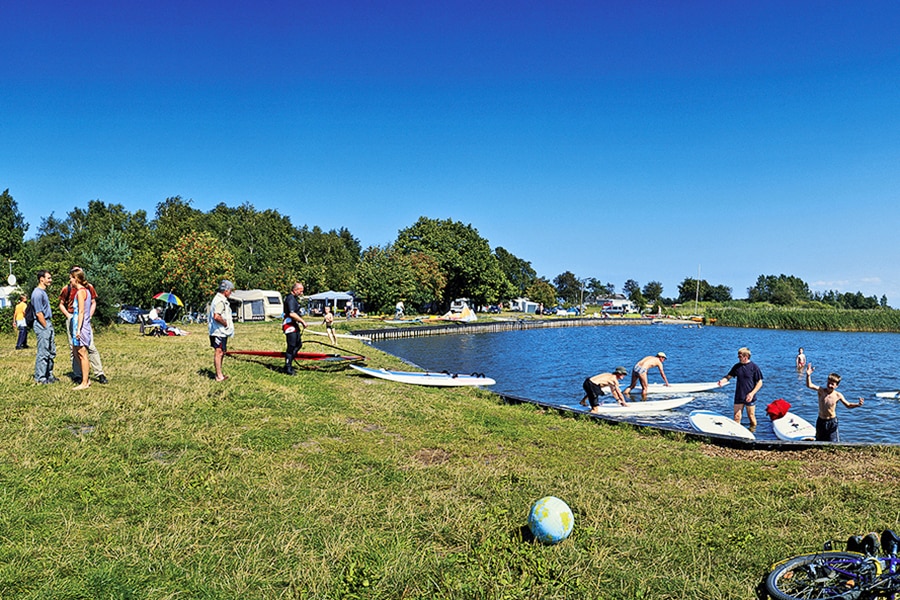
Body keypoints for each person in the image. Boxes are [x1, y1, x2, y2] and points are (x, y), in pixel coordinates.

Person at [58, 267, 108, 384]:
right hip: (72, 318)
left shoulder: (87, 288)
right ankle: (78, 374)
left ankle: (99, 373)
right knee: (74, 348)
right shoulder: (67, 289)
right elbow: (61, 304)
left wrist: (89, 316)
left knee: (90, 347)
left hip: (82, 320)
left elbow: (93, 303)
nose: (70, 279)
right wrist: (68, 315)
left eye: (71, 277)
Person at [805, 363, 863, 442]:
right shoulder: (821, 391)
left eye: (832, 384)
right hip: (821, 420)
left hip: (832, 421)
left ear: (836, 386)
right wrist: (808, 375)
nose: (829, 385)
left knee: (833, 441)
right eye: (828, 382)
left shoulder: (838, 395)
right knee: (819, 440)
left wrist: (858, 404)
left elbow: (848, 405)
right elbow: (810, 385)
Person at [716, 347, 763, 430]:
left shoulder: (754, 367)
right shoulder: (737, 367)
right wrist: (722, 381)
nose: (738, 358)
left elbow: (759, 383)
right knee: (736, 417)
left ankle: (753, 433)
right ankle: (737, 434)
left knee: (751, 417)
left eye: (740, 356)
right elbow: (728, 376)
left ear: (746, 356)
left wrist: (751, 394)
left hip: (750, 396)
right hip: (739, 395)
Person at [31, 270, 58, 384]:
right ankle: (41, 377)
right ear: (41, 279)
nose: (50, 280)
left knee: (51, 351)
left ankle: (49, 375)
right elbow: (38, 313)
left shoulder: (43, 292)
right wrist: (46, 326)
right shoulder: (37, 293)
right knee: (43, 352)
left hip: (47, 323)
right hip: (42, 324)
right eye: (48, 278)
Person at [68, 267, 93, 390]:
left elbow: (81, 312)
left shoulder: (81, 292)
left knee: (82, 353)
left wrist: (78, 330)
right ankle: (85, 378)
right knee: (76, 351)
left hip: (81, 326)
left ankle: (84, 382)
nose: (70, 281)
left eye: (71, 278)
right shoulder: (85, 291)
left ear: (76, 279)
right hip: (79, 325)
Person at [208, 280, 234, 382]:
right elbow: (216, 316)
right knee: (219, 352)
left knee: (222, 352)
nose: (231, 293)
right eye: (230, 290)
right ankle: (219, 376)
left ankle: (220, 374)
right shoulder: (220, 301)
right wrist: (225, 323)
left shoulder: (220, 299)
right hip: (218, 331)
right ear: (226, 290)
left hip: (221, 331)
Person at [282, 282, 308, 375]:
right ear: (295, 290)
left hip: (294, 324)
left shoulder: (294, 299)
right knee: (291, 346)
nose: (301, 293)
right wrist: (302, 321)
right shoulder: (290, 299)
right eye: (300, 291)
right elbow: (292, 314)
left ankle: (288, 362)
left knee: (298, 344)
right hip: (289, 325)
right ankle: (288, 367)